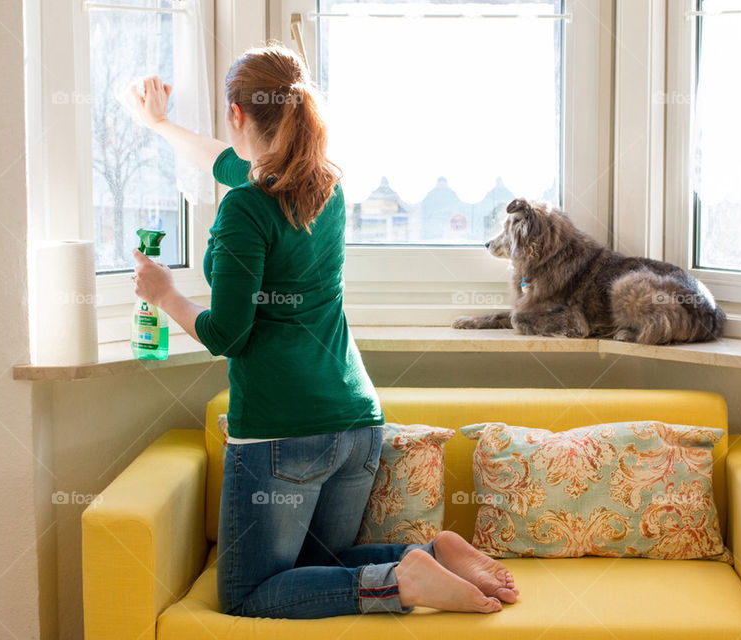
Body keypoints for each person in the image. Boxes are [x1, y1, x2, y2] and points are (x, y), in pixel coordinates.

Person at [129, 43, 517, 618]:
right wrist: (161, 126)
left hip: (283, 433)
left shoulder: (245, 209)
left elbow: (227, 335)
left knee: (248, 595)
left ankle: (402, 581)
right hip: (356, 424)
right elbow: (224, 161)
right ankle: (428, 555)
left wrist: (164, 293)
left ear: (237, 113)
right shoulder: (325, 187)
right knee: (320, 565)